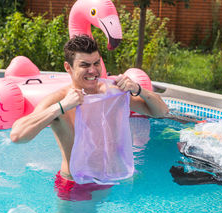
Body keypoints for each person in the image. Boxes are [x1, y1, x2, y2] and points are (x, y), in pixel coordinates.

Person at [10, 35, 168, 183]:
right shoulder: (59, 100)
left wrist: (138, 88)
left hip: (113, 178)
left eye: (96, 63)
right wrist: (62, 107)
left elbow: (161, 112)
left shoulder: (112, 93)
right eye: (85, 65)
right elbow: (17, 135)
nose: (93, 70)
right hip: (75, 185)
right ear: (68, 67)